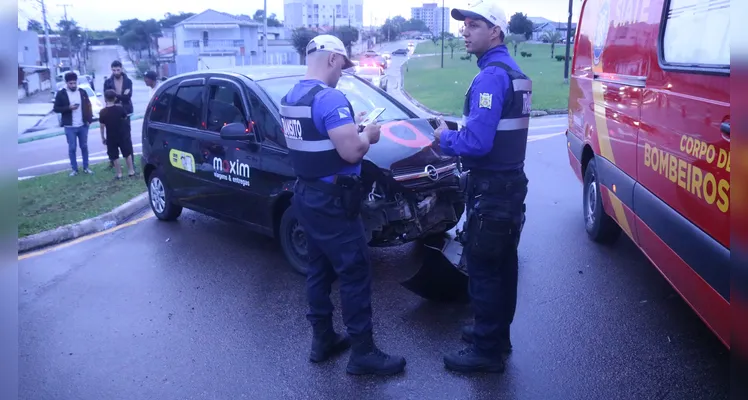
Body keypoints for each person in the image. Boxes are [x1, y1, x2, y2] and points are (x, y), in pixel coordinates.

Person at [279, 34, 406, 376]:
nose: (342, 74)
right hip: (333, 202)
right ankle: (363, 352)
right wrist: (368, 135)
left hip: (306, 196)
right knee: (354, 270)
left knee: (318, 270)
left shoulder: (291, 97)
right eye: (343, 66)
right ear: (333, 59)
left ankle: (323, 340)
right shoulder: (329, 98)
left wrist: (353, 128)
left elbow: (316, 142)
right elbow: (352, 152)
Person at [432, 0, 532, 373]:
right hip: (509, 186)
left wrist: (444, 139)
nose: (464, 31)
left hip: (491, 189)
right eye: (465, 25)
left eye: (474, 24)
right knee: (504, 265)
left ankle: (486, 352)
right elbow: (494, 131)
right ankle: (495, 336)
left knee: (485, 266)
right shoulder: (514, 71)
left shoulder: (491, 76)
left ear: (496, 32)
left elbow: (477, 144)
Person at [53, 71, 94, 176]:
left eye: (74, 83)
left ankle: (86, 167)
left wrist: (89, 120)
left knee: (84, 146)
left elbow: (89, 105)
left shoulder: (82, 92)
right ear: (66, 83)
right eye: (70, 83)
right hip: (69, 126)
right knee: (72, 148)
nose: (73, 85)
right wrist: (68, 108)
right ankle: (74, 169)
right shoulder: (61, 93)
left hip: (83, 125)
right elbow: (56, 108)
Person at [103, 60, 135, 170]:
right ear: (111, 70)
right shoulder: (108, 82)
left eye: (118, 69)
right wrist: (120, 96)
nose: (116, 72)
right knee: (112, 138)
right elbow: (107, 97)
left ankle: (131, 163)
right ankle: (113, 163)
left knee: (126, 138)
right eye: (114, 70)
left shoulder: (128, 81)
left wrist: (115, 95)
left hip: (125, 112)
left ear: (121, 69)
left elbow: (128, 97)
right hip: (112, 112)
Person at [99, 89, 135, 179]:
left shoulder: (103, 112)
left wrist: (103, 137)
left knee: (114, 155)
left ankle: (119, 173)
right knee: (127, 153)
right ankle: (131, 171)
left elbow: (102, 126)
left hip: (111, 136)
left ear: (105, 99)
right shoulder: (120, 108)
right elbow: (125, 118)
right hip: (122, 134)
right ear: (115, 98)